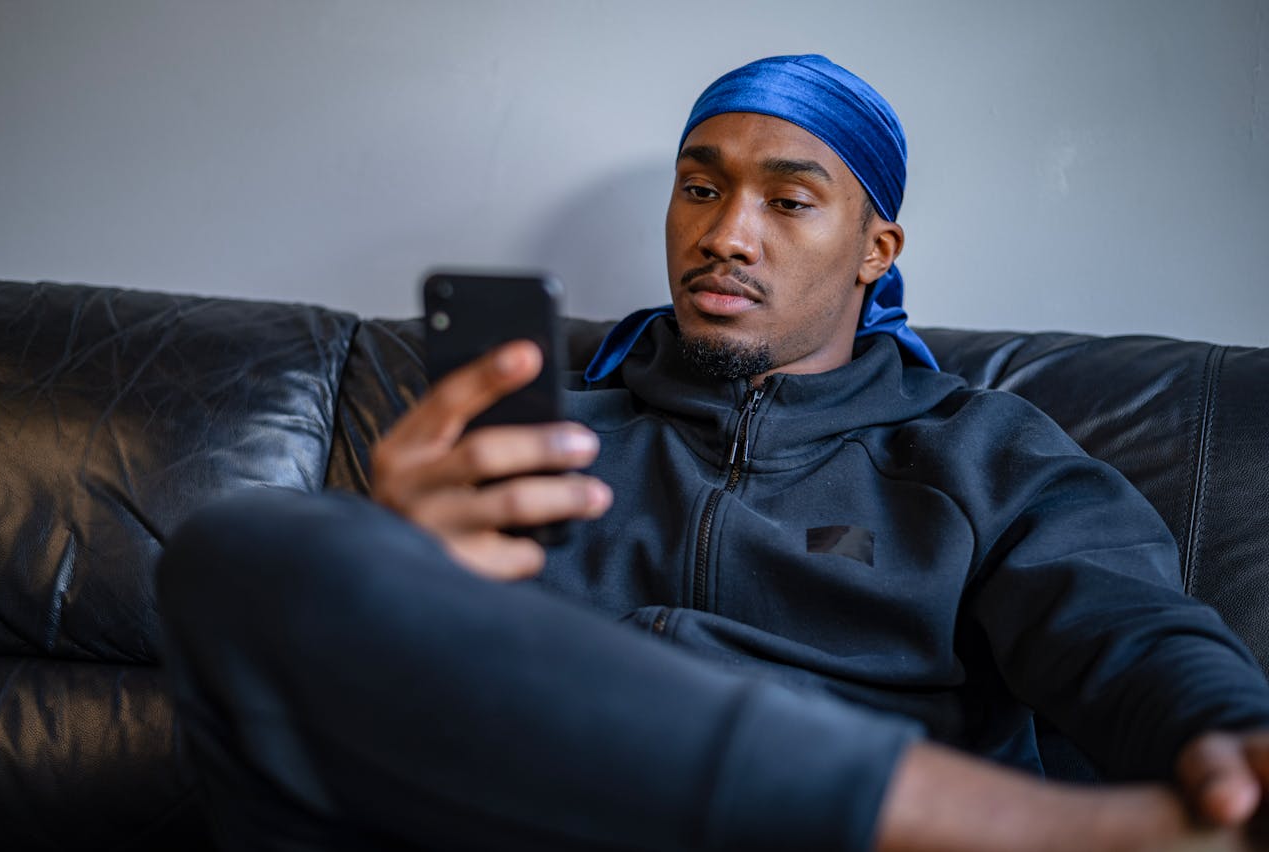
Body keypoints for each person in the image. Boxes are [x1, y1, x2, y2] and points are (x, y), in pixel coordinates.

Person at [157, 55, 1269, 851]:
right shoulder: (545, 439)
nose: (724, 233)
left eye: (788, 200)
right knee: (241, 546)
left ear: (874, 249)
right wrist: (392, 557)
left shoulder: (979, 449)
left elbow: (1126, 629)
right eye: (700, 188)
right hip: (518, 809)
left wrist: (1229, 734)